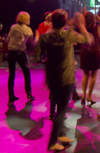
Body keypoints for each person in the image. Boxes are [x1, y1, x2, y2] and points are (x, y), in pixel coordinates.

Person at [35, 9, 92, 151]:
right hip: (66, 76)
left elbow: (37, 56)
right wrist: (82, 25)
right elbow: (87, 40)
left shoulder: (45, 37)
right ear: (64, 22)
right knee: (61, 110)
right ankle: (52, 141)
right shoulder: (68, 35)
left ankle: (59, 135)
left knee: (56, 106)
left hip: (52, 77)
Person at [79, 11, 100, 106]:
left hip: (85, 52)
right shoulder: (96, 27)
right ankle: (89, 96)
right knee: (93, 75)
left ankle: (83, 95)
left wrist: (82, 15)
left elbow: (80, 23)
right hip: (95, 52)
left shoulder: (83, 28)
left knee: (85, 75)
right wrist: (97, 16)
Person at [6, 11, 34, 102]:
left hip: (11, 51)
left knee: (12, 74)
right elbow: (32, 44)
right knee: (26, 72)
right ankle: (29, 93)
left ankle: (11, 95)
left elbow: (7, 39)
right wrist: (37, 37)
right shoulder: (27, 29)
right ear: (26, 19)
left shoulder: (13, 27)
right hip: (20, 52)